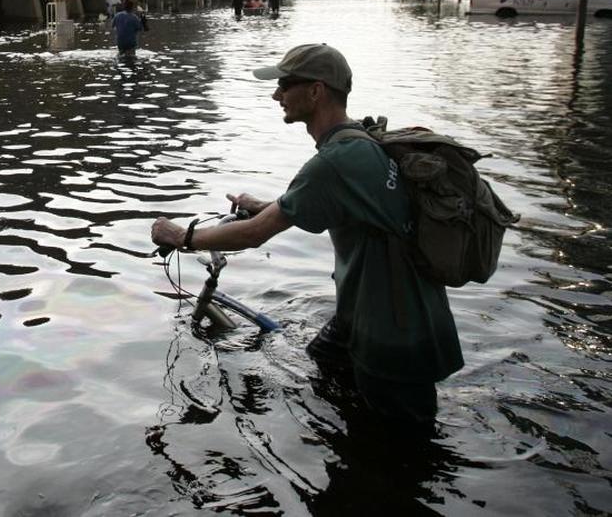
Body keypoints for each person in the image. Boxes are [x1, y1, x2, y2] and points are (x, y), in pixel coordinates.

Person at [151, 43, 463, 425]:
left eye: (285, 85)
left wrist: (182, 236)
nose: (276, 94)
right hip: (366, 316)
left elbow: (253, 236)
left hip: (392, 334)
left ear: (316, 91)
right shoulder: (358, 141)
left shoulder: (333, 162)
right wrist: (266, 204)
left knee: (400, 456)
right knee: (325, 367)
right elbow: (333, 202)